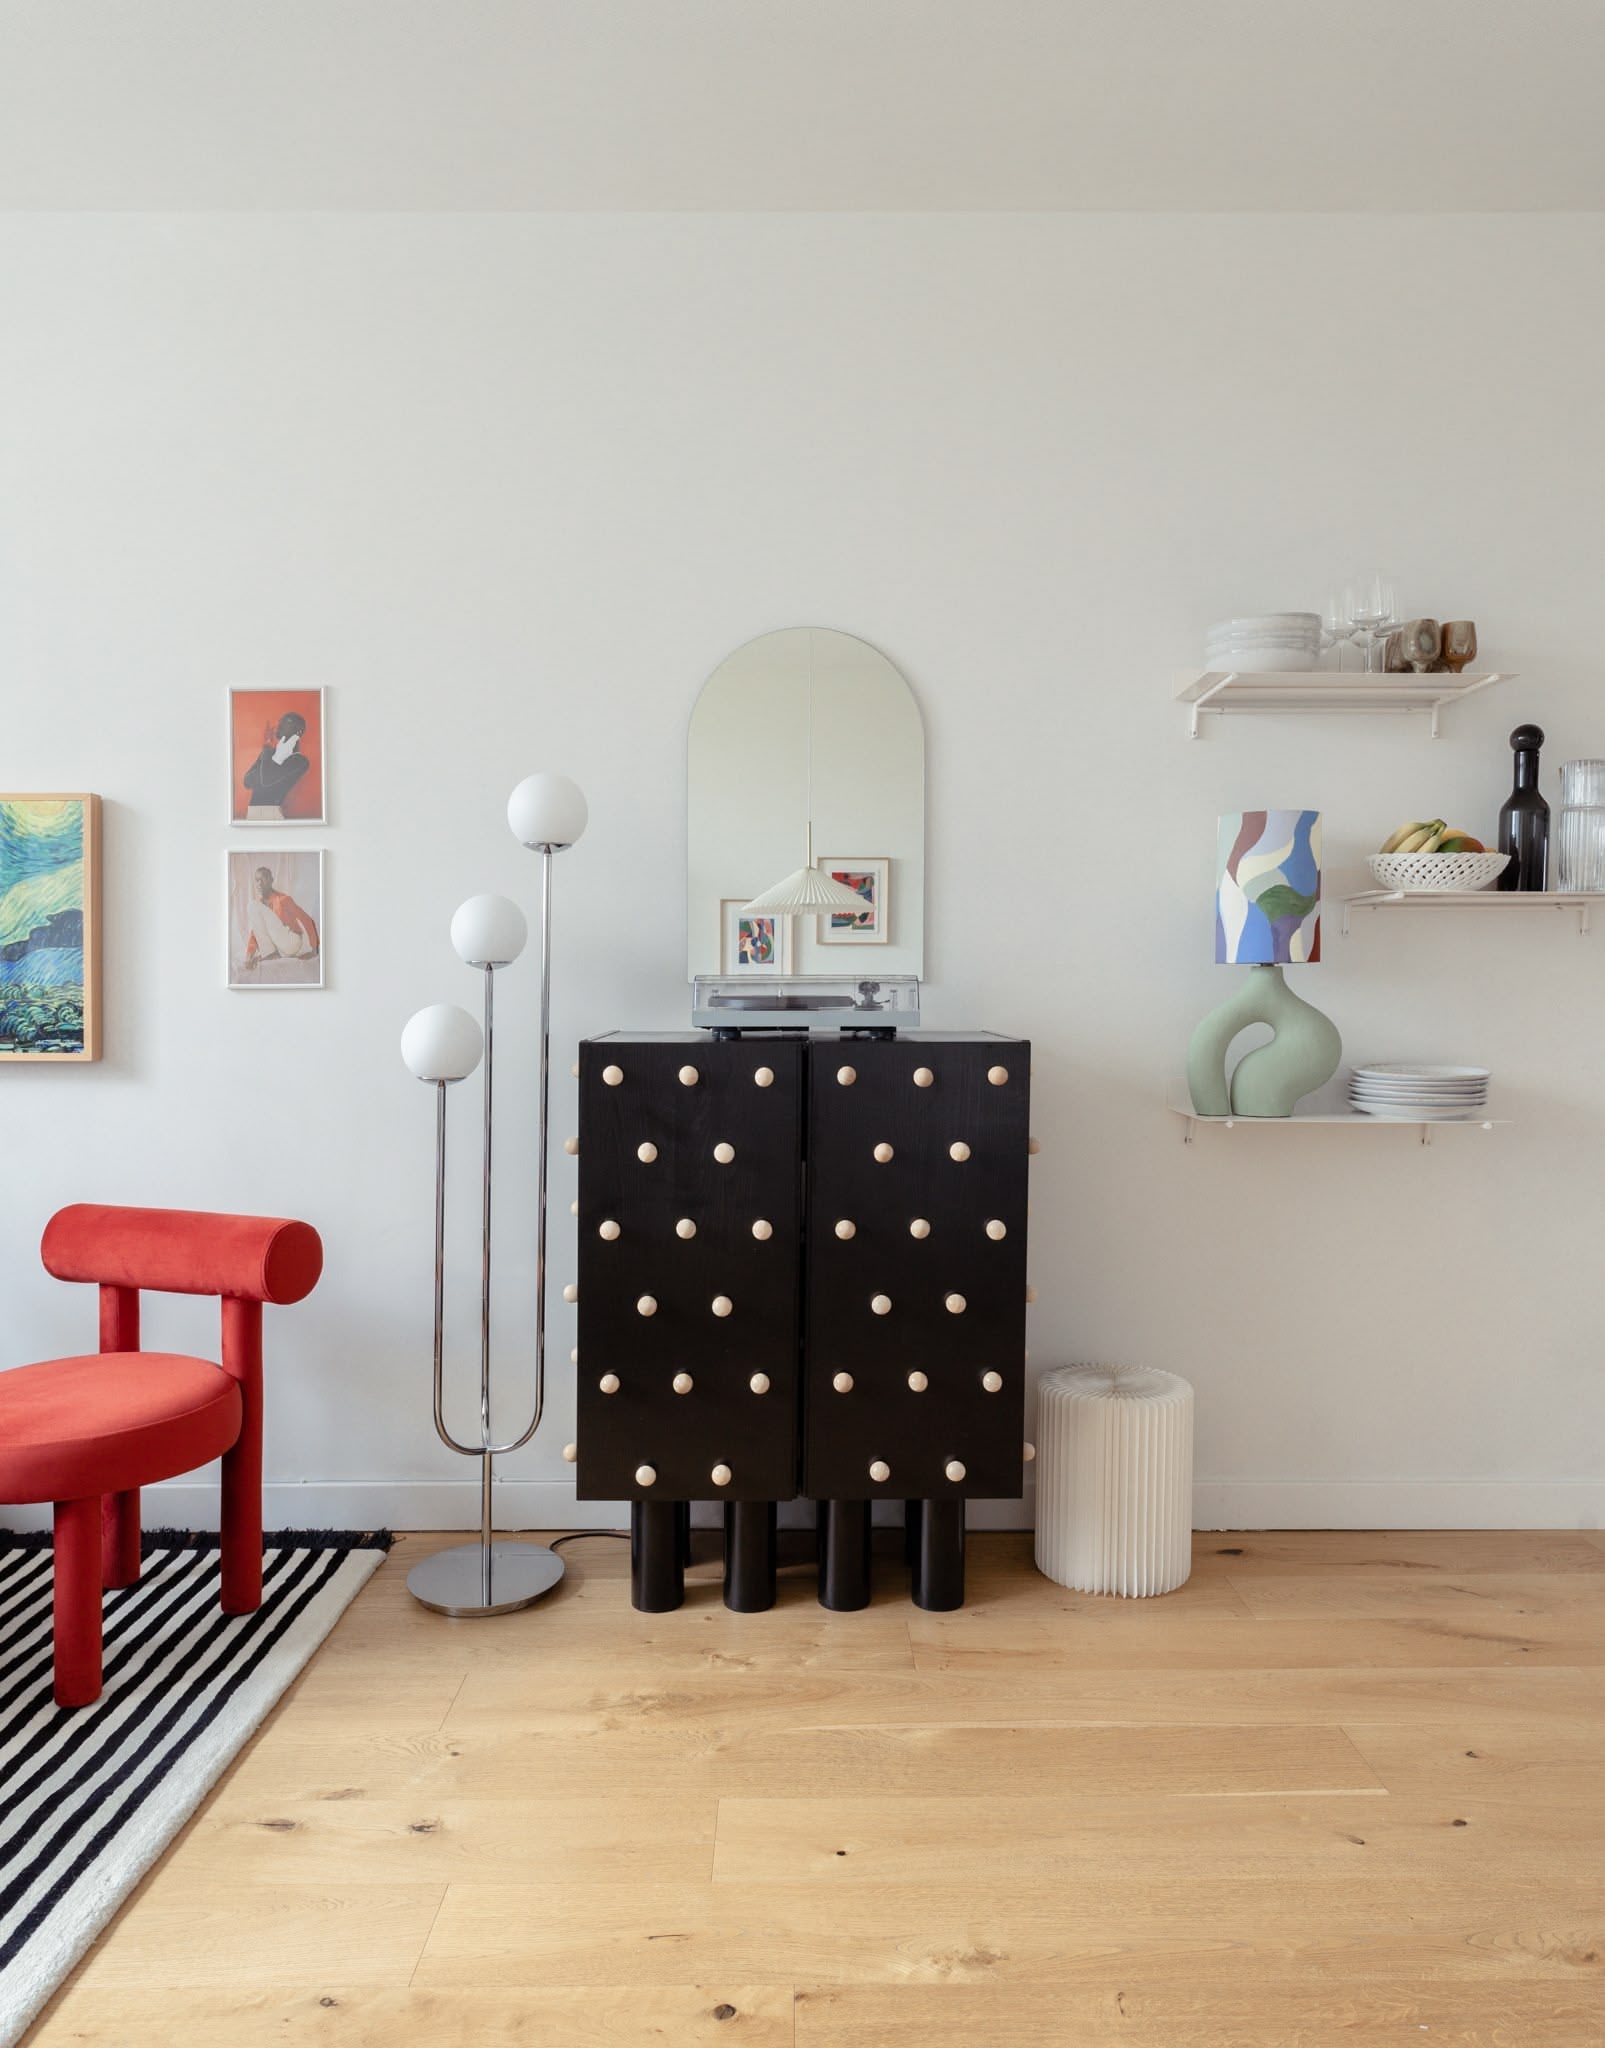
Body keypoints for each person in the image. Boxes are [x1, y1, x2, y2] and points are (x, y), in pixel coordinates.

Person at [242, 865, 319, 969]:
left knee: (252, 905)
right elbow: (255, 933)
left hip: (291, 941)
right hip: (281, 947)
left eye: (263, 879)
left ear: (271, 880)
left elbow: (306, 919)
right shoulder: (260, 907)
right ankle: (270, 954)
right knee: (254, 908)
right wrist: (248, 957)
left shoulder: (284, 899)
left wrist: (314, 950)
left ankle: (270, 953)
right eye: (257, 880)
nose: (259, 883)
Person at [242, 711, 311, 820]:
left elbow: (266, 780)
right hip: (251, 813)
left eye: (287, 722)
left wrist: (268, 747)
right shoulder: (269, 752)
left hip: (272, 814)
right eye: (280, 721)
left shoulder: (300, 761)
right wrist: (268, 752)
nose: (280, 724)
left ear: (299, 732)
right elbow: (246, 782)